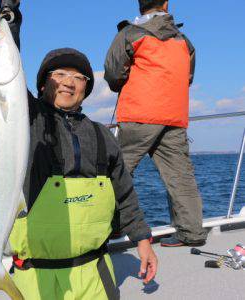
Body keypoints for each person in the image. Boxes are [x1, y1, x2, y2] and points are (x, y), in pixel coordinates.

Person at [0, 1, 157, 299]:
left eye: (79, 77)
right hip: (36, 278)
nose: (69, 82)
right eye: (58, 74)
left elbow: (124, 193)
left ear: (86, 88)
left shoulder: (102, 135)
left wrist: (143, 240)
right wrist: (9, 21)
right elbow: (5, 68)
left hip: (95, 274)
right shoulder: (26, 119)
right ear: (42, 85)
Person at [104, 0, 207, 247]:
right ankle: (191, 233)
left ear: (140, 5)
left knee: (118, 171)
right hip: (174, 115)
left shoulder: (130, 33)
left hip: (140, 114)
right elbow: (188, 76)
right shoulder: (184, 41)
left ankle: (114, 229)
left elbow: (112, 72)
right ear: (166, 4)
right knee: (180, 175)